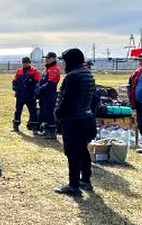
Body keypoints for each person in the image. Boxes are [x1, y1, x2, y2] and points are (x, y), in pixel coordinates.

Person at [53, 48, 97, 196]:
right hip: (85, 117)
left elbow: (67, 100)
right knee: (83, 150)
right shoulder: (87, 73)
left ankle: (74, 185)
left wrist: (58, 114)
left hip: (73, 119)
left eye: (64, 61)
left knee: (72, 153)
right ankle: (86, 179)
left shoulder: (73, 76)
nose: (63, 64)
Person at [35, 52, 61, 138]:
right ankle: (46, 129)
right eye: (46, 58)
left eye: (48, 58)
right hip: (44, 95)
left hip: (49, 95)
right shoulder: (47, 69)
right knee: (44, 113)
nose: (46, 59)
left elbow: (51, 83)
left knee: (49, 113)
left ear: (53, 58)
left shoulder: (54, 69)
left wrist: (40, 89)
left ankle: (52, 132)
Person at [11, 56, 40, 131]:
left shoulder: (34, 71)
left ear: (29, 63)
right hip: (20, 95)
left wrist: (31, 86)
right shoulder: (19, 71)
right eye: (24, 63)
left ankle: (34, 126)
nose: (25, 64)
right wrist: (14, 86)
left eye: (26, 63)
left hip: (30, 95)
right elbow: (15, 80)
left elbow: (37, 81)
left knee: (32, 111)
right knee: (18, 110)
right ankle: (16, 124)